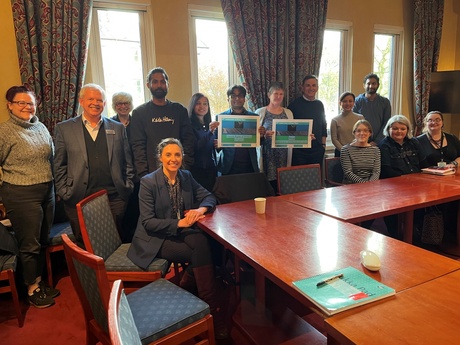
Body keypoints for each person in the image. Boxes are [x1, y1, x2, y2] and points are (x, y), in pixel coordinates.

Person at [127, 138, 227, 338]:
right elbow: (148, 222)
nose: (173, 159)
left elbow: (209, 196)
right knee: (202, 248)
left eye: (177, 155)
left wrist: (200, 209)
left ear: (182, 157)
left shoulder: (186, 176)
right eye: (168, 155)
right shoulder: (148, 182)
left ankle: (197, 295)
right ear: (160, 157)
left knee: (202, 244)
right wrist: (179, 223)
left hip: (181, 232)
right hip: (155, 238)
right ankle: (211, 308)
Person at [0, 85, 59, 308]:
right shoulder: (4, 131)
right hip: (21, 194)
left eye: (31, 103)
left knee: (43, 239)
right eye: (21, 103)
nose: (27, 107)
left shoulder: (40, 126)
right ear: (10, 105)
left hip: (46, 190)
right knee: (29, 244)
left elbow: (50, 157)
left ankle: (39, 281)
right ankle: (31, 288)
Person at [54, 84, 134, 246]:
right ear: (81, 101)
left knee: (114, 244)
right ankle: (88, 273)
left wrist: (127, 185)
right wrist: (65, 191)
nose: (95, 103)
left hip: (114, 198)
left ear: (104, 104)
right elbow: (59, 165)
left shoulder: (117, 128)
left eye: (99, 100)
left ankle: (111, 272)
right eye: (91, 99)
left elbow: (127, 161)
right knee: (84, 245)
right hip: (77, 197)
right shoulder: (64, 128)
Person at [130, 67, 196, 178]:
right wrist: (144, 175)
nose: (159, 85)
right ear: (148, 85)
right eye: (155, 82)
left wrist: (184, 167)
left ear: (167, 85)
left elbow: (188, 140)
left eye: (162, 81)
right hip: (151, 174)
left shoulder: (179, 110)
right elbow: (138, 147)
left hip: (178, 172)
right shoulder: (139, 113)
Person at [379, 115, 427, 238]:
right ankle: (394, 234)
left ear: (407, 130)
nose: (399, 131)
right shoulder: (384, 145)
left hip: (416, 184)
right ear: (389, 129)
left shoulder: (414, 142)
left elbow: (423, 163)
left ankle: (414, 231)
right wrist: (407, 179)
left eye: (402, 128)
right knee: (393, 209)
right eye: (395, 128)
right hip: (393, 185)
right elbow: (386, 169)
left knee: (425, 203)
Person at [417, 111, 460, 237]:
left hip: (453, 179)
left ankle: (452, 232)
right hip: (430, 182)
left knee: (455, 204)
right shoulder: (418, 141)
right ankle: (435, 233)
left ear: (442, 122)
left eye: (437, 120)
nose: (434, 122)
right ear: (426, 122)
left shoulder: (452, 138)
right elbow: (419, 164)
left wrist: (454, 164)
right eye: (430, 120)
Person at [255, 81, 294, 194]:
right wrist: (264, 134)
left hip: (284, 155)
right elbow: (255, 135)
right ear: (269, 95)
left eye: (281, 94)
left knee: (282, 185)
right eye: (275, 93)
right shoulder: (260, 112)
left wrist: (305, 137)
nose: (278, 96)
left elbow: (293, 131)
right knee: (268, 187)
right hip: (267, 155)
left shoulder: (289, 113)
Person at [111, 91, 138, 242]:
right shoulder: (109, 123)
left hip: (138, 174)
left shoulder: (137, 123)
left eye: (126, 103)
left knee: (136, 210)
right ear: (115, 106)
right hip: (119, 175)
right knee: (122, 213)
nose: (123, 106)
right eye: (119, 104)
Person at [215, 85, 260, 175]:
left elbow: (259, 142)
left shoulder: (254, 118)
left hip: (250, 166)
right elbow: (218, 147)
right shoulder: (220, 118)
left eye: (240, 95)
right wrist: (217, 144)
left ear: (244, 99)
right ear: (228, 99)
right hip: (228, 167)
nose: (237, 98)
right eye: (233, 96)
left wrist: (262, 135)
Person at [287, 75, 327, 166]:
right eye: (308, 85)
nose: (311, 88)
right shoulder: (294, 105)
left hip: (317, 149)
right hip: (299, 150)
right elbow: (289, 128)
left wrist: (323, 145)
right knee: (299, 178)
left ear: (317, 87)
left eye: (314, 85)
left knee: (315, 178)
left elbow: (323, 124)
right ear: (302, 88)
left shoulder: (319, 104)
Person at [187, 93, 218, 192]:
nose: (202, 106)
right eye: (198, 103)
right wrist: (210, 132)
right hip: (196, 170)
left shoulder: (209, 125)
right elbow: (195, 147)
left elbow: (211, 147)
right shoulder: (188, 125)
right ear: (193, 105)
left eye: (205, 104)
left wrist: (218, 146)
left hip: (210, 169)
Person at [353, 73, 391, 145]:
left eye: (374, 83)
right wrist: (362, 139)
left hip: (380, 142)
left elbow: (386, 122)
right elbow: (354, 123)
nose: (371, 86)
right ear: (364, 85)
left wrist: (377, 141)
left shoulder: (385, 102)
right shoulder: (357, 102)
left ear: (378, 85)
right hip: (361, 140)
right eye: (368, 83)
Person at [340, 119, 381, 184]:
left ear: (369, 133)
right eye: (358, 131)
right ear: (354, 133)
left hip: (371, 185)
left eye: (365, 130)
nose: (362, 133)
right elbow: (348, 173)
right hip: (351, 186)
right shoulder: (345, 150)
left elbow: (376, 172)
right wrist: (364, 185)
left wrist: (370, 185)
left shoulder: (376, 150)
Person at [331, 92, 364, 157]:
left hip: (357, 152)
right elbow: (334, 139)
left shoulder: (360, 118)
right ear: (340, 103)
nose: (348, 103)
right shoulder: (335, 120)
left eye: (350, 101)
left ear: (354, 103)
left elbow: (363, 135)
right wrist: (344, 151)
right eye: (345, 101)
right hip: (341, 153)